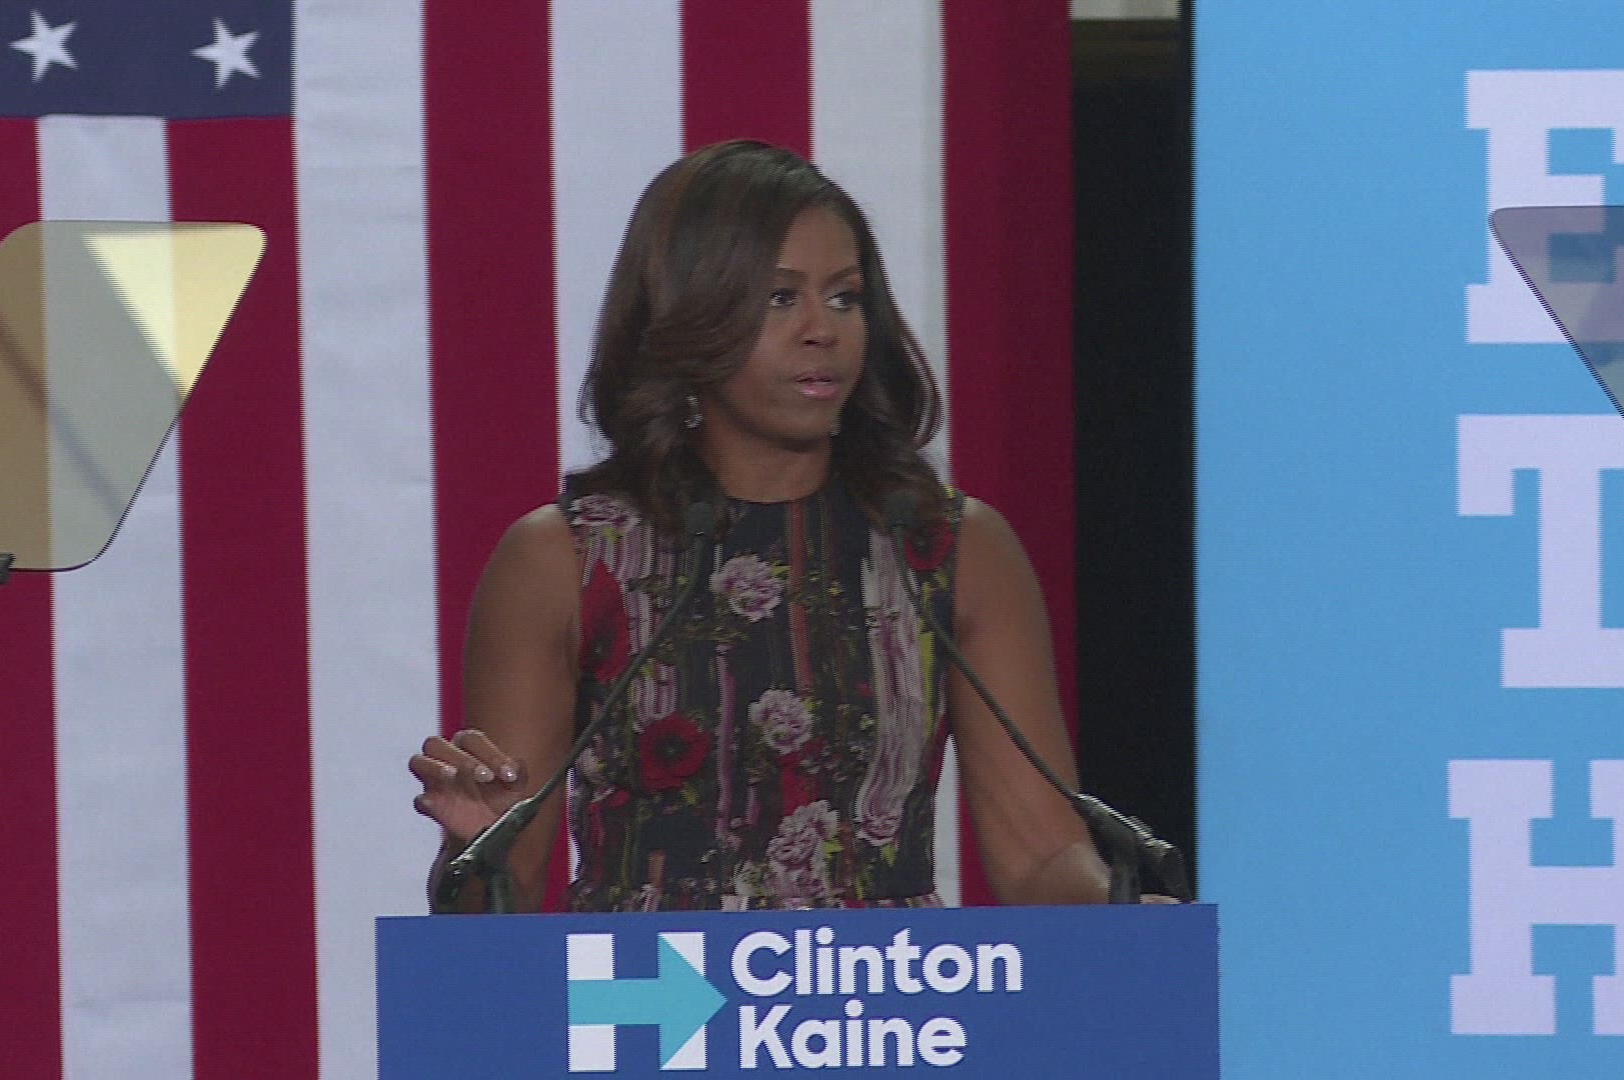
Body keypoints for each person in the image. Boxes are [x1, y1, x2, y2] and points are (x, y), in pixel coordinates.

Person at [409, 140, 1111, 912]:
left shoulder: (952, 551)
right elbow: (496, 911)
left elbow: (1042, 857)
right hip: (652, 985)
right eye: (781, 298)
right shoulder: (566, 560)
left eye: (844, 297)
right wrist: (469, 857)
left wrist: (1130, 909)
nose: (821, 330)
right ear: (690, 314)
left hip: (886, 988)